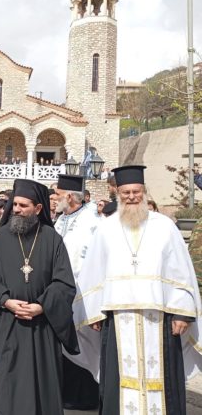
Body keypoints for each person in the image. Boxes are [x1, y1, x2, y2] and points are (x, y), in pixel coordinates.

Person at [73, 165, 202, 415]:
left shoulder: (165, 226)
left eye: (136, 191)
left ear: (144, 192)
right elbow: (94, 271)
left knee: (163, 379)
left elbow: (180, 271)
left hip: (162, 319)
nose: (131, 197)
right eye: (126, 192)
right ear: (117, 194)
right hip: (117, 319)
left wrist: (182, 313)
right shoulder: (106, 229)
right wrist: (93, 312)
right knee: (119, 379)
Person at [0, 178, 79, 415]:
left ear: (38, 208)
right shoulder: (1, 237)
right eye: (15, 204)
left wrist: (42, 305)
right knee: (11, 384)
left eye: (23, 205)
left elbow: (64, 283)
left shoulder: (52, 239)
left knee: (45, 386)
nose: (17, 209)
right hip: (9, 324)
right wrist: (6, 300)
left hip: (43, 327)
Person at [53, 174, 100, 410]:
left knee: (84, 344)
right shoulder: (62, 219)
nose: (54, 198)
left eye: (58, 194)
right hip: (62, 294)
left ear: (70, 196)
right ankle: (65, 392)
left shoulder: (91, 223)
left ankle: (85, 396)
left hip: (83, 295)